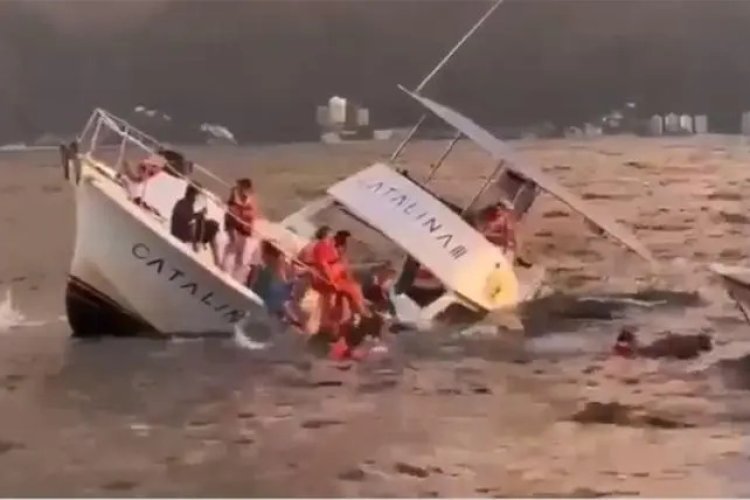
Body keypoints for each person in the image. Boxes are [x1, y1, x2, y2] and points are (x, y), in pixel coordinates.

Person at [170, 183, 221, 266]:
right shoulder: (191, 206)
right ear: (195, 195)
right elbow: (193, 226)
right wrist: (195, 245)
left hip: (179, 232)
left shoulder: (181, 202)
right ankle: (217, 261)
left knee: (209, 224)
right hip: (185, 236)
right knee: (213, 227)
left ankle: (217, 261)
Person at [221, 178, 259, 278]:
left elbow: (248, 214)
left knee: (238, 254)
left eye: (240, 188)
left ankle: (233, 273)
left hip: (243, 230)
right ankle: (226, 272)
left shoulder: (249, 201)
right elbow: (233, 209)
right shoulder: (240, 198)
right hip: (237, 227)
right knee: (233, 249)